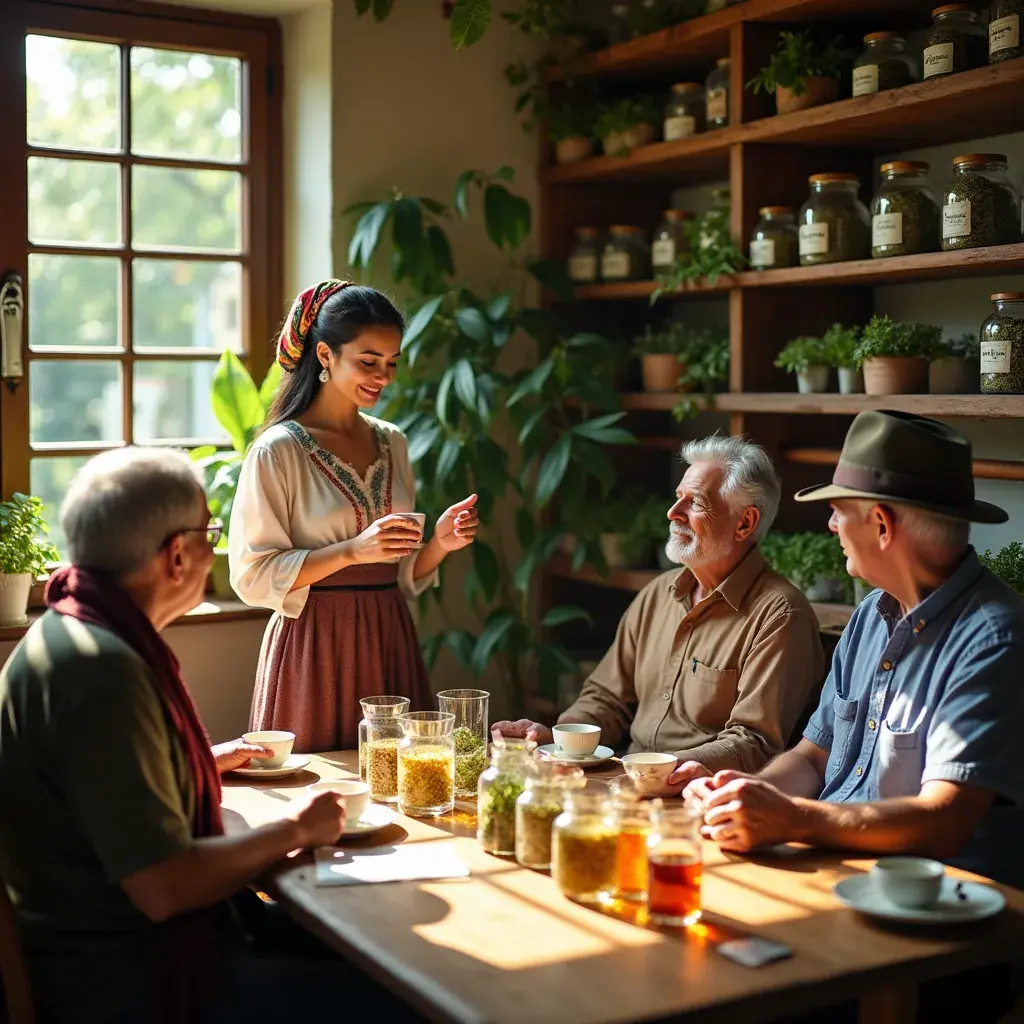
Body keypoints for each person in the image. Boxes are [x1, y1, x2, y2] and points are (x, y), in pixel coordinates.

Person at [684, 413, 1024, 1024]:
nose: (831, 524)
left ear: (882, 525)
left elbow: (942, 821)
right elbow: (814, 755)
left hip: (930, 944)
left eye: (840, 510)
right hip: (829, 887)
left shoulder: (992, 638)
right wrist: (752, 791)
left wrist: (790, 818)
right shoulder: (871, 615)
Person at [0, 448, 358, 1024]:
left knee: (350, 944)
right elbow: (162, 885)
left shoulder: (63, 634)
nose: (213, 546)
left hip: (124, 951)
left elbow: (94, 789)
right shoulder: (102, 670)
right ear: (176, 555)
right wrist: (297, 828)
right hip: (134, 984)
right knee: (399, 992)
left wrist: (199, 764)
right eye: (209, 532)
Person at [230, 280, 479, 752]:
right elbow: (252, 574)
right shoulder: (277, 451)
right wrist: (352, 551)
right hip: (315, 642)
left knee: (402, 791)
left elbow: (401, 575)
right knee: (317, 796)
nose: (383, 376)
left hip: (390, 633)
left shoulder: (393, 441)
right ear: (325, 355)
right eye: (368, 361)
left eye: (392, 362)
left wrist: (441, 544)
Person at [494, 435, 825, 787]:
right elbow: (606, 698)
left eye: (694, 502)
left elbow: (755, 744)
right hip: (627, 783)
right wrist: (558, 740)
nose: (673, 513)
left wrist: (658, 768)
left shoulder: (781, 615)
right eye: (677, 497)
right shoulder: (658, 593)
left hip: (702, 797)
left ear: (744, 523)